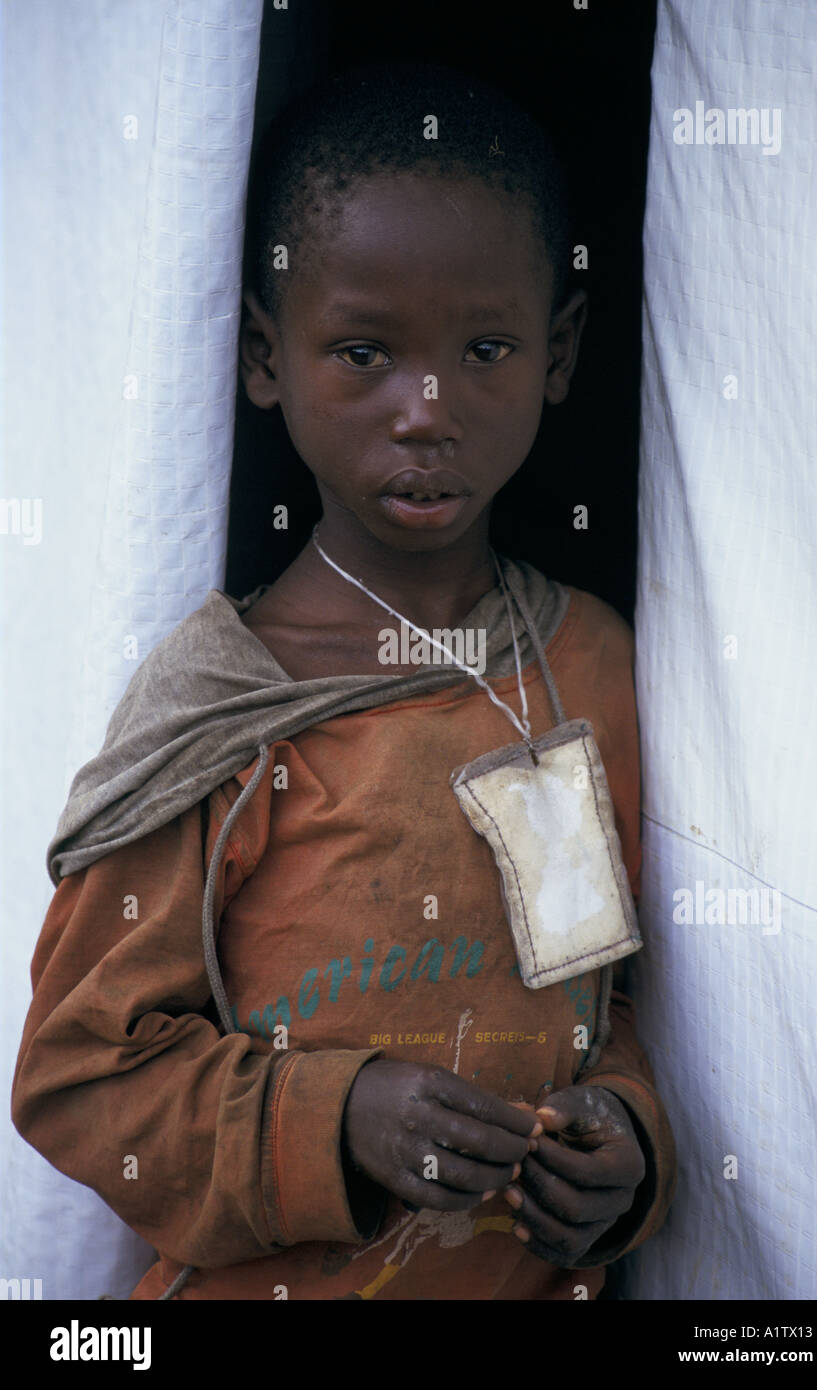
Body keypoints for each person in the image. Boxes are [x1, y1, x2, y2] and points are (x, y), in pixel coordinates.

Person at [11, 63, 675, 1301]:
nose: (425, 410)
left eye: (483, 349)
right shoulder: (227, 703)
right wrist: (335, 1115)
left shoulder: (587, 664)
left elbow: (614, 994)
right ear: (266, 360)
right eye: (363, 351)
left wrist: (628, 1138)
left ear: (559, 351)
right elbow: (78, 1074)